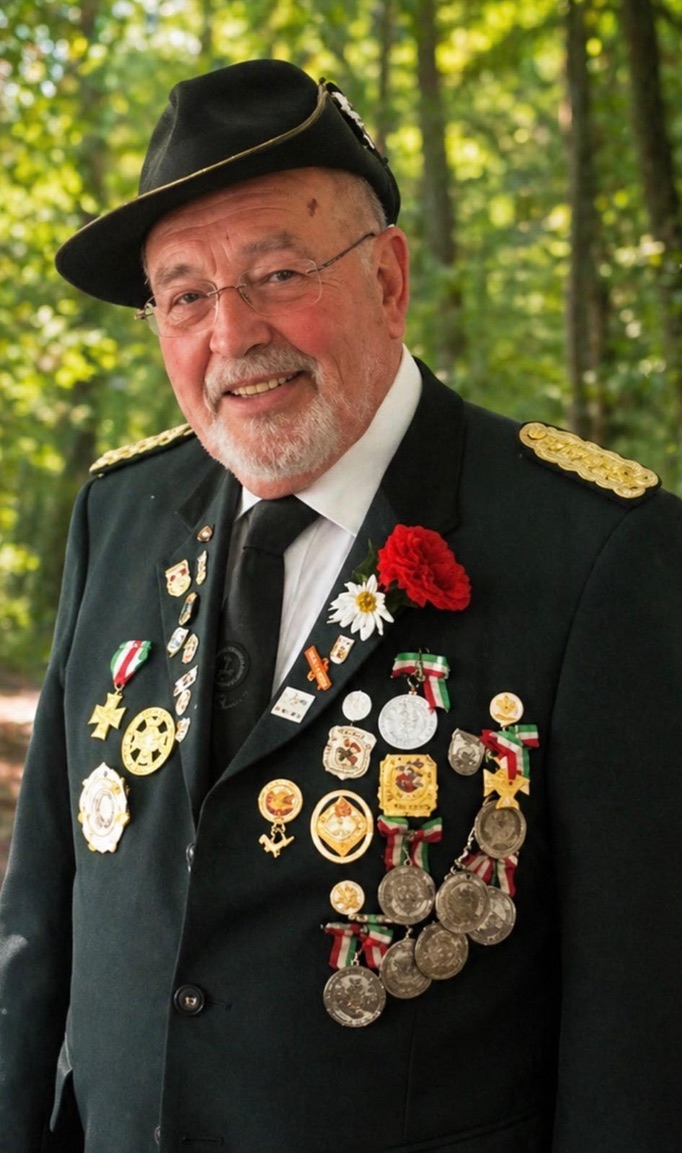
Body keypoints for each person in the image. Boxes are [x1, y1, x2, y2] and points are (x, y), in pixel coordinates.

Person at [0, 58, 680, 1153]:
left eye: (277, 273)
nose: (232, 335)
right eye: (185, 295)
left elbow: (641, 1035)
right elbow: (39, 921)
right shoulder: (118, 515)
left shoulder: (598, 551)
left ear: (388, 279)